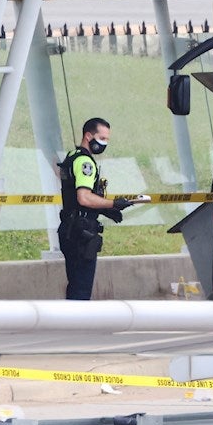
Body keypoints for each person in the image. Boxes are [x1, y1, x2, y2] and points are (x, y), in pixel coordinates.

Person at [58, 118, 136, 300]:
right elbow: (83, 197)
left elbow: (74, 198)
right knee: (81, 290)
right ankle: (78, 326)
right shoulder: (86, 163)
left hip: (70, 228)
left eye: (107, 139)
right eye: (102, 138)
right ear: (88, 135)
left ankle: (70, 323)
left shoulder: (72, 156)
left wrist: (104, 210)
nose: (104, 143)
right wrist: (113, 203)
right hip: (81, 234)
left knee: (75, 284)